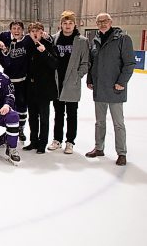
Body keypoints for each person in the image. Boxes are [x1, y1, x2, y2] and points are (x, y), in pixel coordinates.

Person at [85, 12, 135, 166]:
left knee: (118, 123)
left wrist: (122, 82)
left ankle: (122, 153)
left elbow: (129, 64)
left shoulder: (123, 39)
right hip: (99, 88)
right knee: (100, 122)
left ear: (111, 21)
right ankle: (99, 148)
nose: (103, 23)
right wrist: (90, 79)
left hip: (115, 88)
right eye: (99, 21)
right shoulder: (95, 40)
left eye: (105, 21)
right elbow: (92, 63)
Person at [48, 11, 89, 154]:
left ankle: (70, 141)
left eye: (70, 23)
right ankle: (57, 139)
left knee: (72, 114)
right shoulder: (54, 39)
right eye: (65, 23)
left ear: (74, 24)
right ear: (61, 24)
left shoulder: (82, 41)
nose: (67, 25)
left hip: (72, 82)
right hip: (57, 82)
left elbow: (85, 63)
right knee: (58, 113)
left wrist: (78, 76)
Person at [22, 22, 58, 154]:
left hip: (44, 88)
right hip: (30, 87)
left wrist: (44, 52)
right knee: (32, 117)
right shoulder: (27, 45)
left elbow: (54, 64)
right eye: (32, 31)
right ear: (29, 33)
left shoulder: (49, 45)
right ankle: (33, 141)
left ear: (42, 32)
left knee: (44, 117)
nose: (35, 33)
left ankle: (42, 143)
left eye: (38, 31)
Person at [0, 20, 34, 141]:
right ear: (10, 30)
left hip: (22, 80)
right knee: (7, 104)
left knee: (22, 105)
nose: (16, 31)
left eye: (19, 28)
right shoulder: (5, 37)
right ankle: (6, 127)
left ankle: (20, 129)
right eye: (14, 28)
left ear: (23, 30)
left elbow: (39, 37)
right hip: (8, 80)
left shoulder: (27, 40)